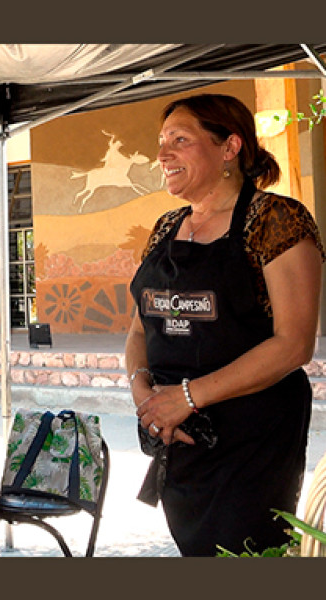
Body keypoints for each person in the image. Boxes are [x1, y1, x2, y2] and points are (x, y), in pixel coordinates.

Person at [126, 93, 325, 556]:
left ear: (229, 147)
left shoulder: (276, 221)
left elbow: (294, 345)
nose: (163, 154)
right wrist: (149, 403)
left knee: (246, 552)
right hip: (178, 437)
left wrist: (188, 397)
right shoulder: (164, 228)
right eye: (161, 142)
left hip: (252, 442)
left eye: (180, 139)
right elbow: (138, 331)